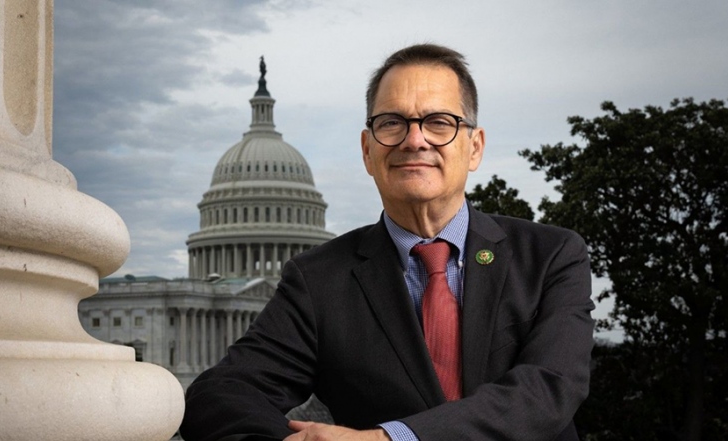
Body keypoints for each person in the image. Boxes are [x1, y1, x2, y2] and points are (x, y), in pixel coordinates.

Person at [180, 43, 595, 441]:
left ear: (475, 147)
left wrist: (388, 439)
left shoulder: (550, 256)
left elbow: (548, 388)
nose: (414, 140)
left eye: (439, 122)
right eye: (392, 123)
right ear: (368, 150)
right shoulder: (318, 282)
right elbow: (220, 395)